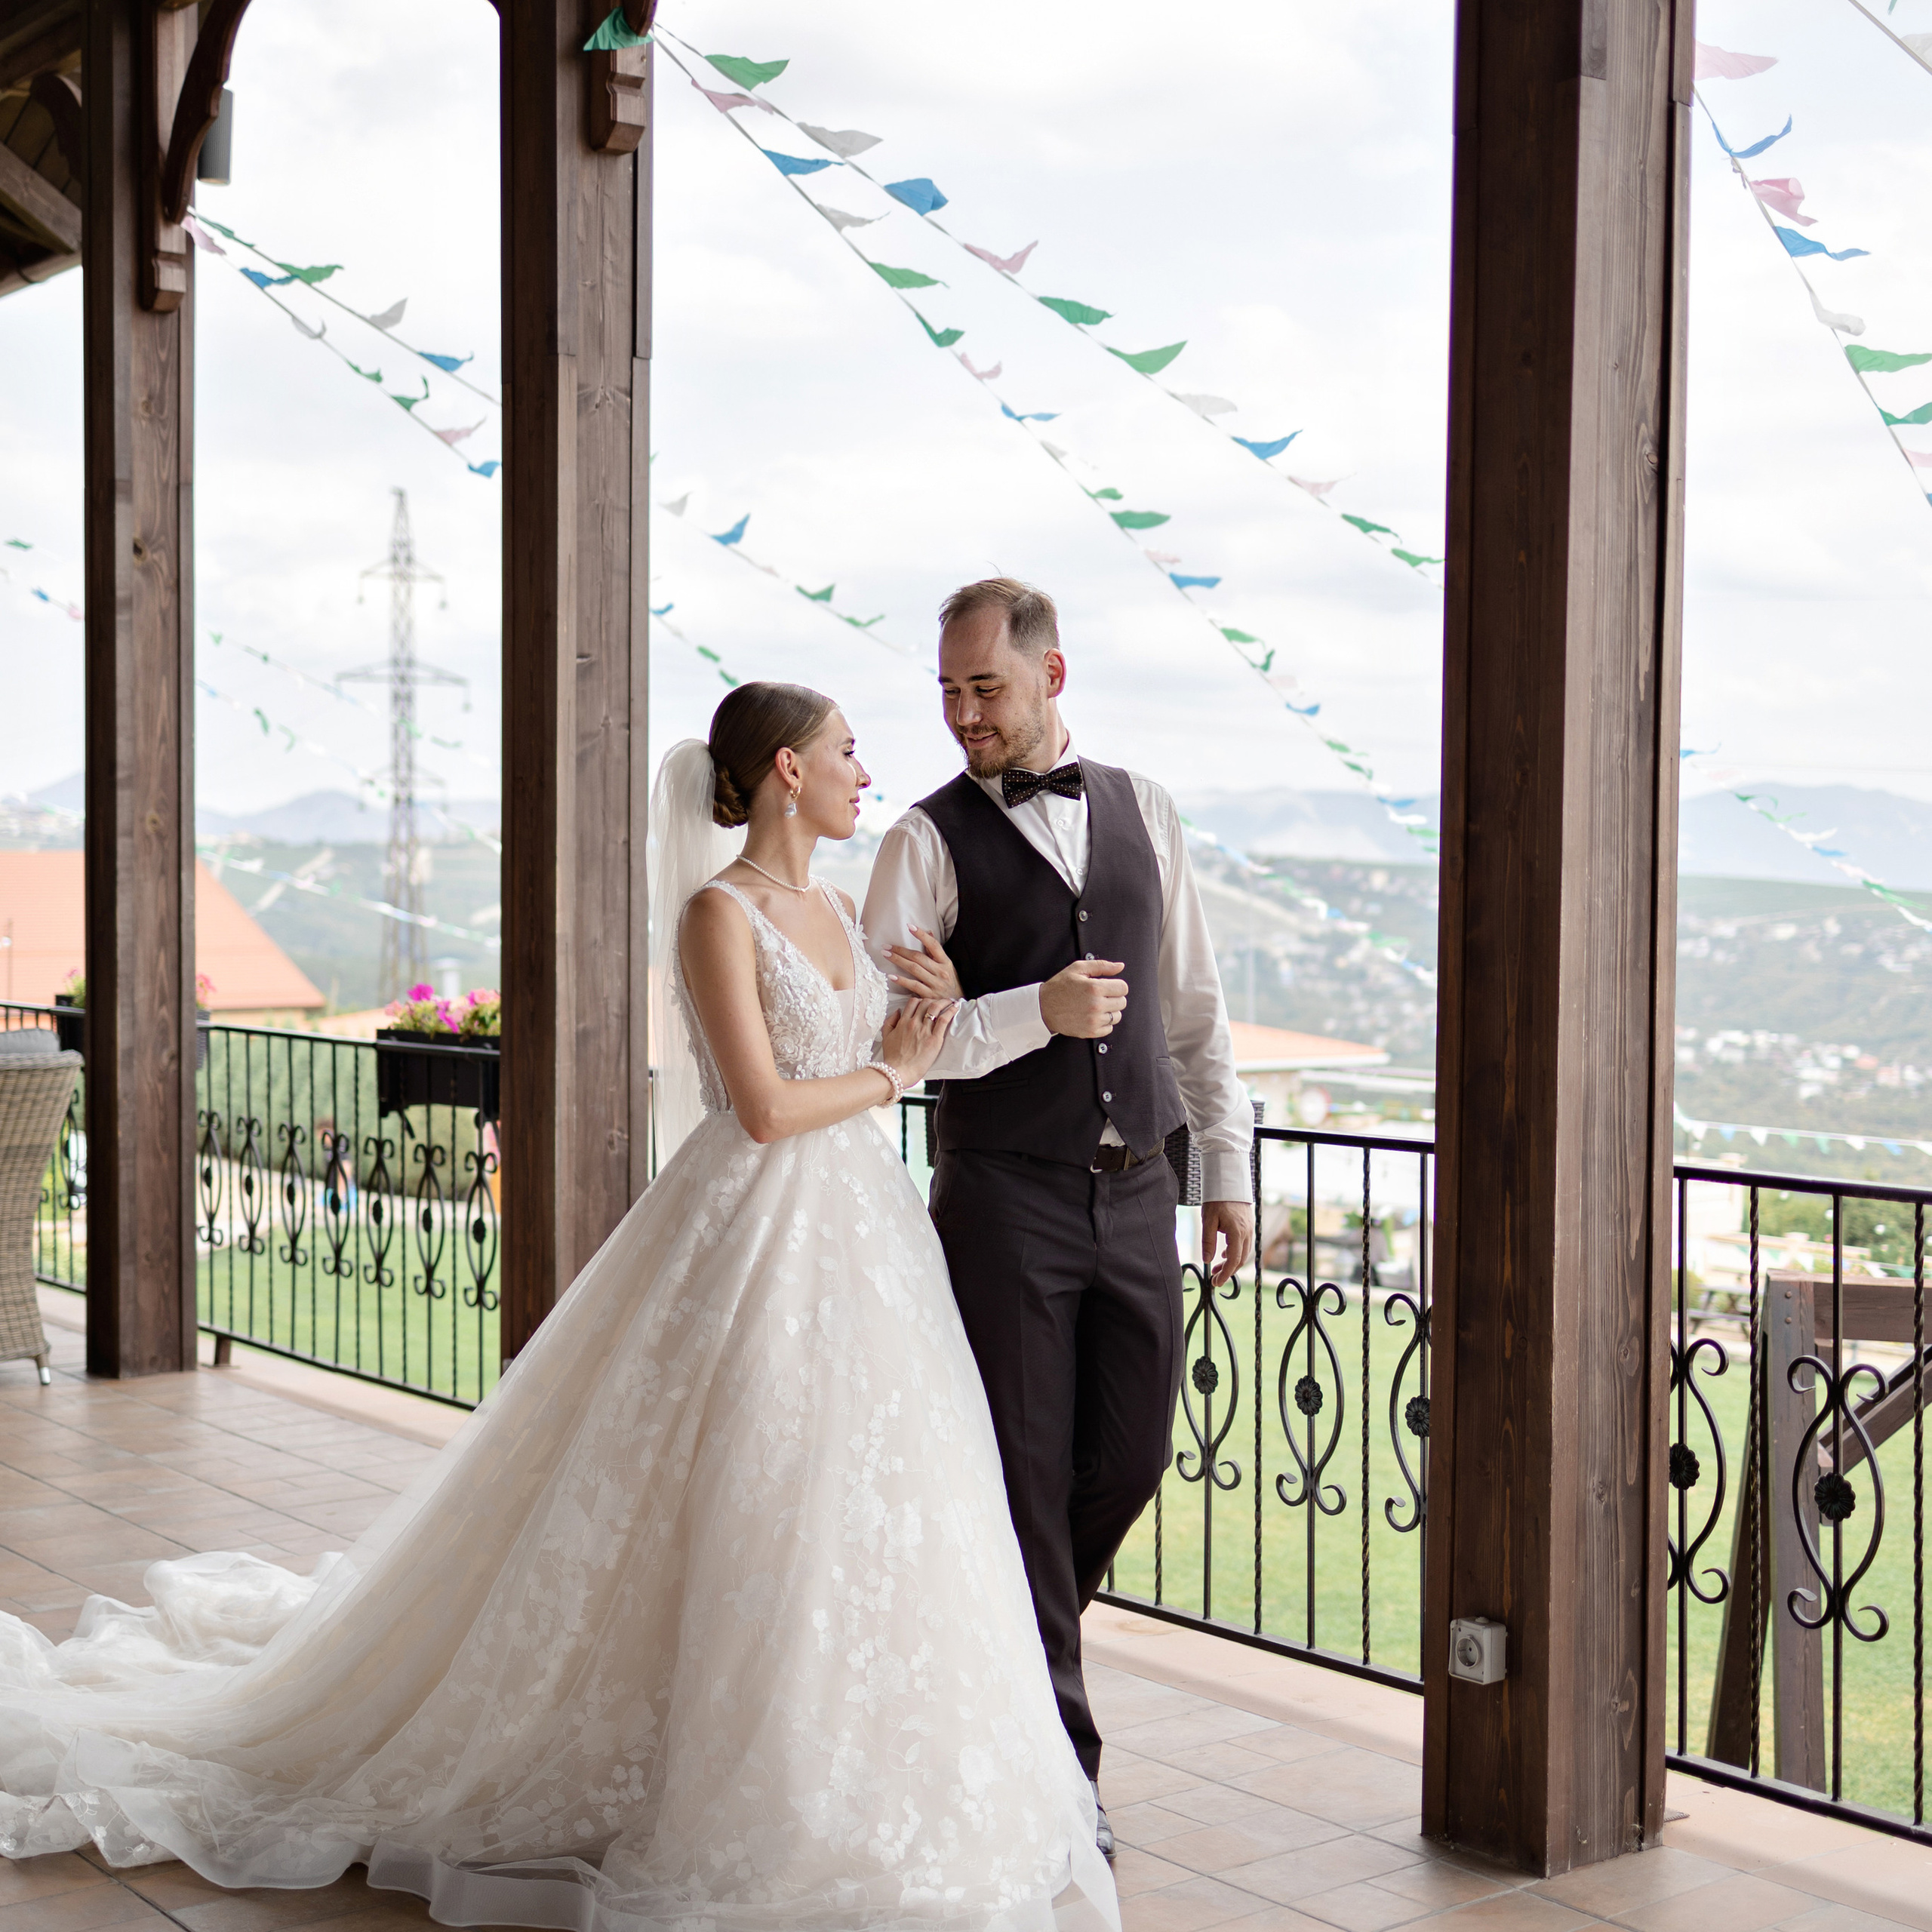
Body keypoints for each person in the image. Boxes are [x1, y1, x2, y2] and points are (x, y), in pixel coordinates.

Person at [0, 682, 1118, 1932]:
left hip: (866, 1241)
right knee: (747, 1483)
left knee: (864, 1500)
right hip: (758, 1228)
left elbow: (918, 1046)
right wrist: (886, 1072)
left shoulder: (850, 915)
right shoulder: (720, 914)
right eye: (849, 752)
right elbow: (759, 1107)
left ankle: (856, 1761)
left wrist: (956, 1015)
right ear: (787, 772)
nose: (871, 772)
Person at [863, 580, 1255, 1854]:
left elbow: (1191, 1009)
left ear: (1052, 676)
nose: (962, 714)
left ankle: (982, 1648)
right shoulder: (920, 844)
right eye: (947, 690)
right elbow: (896, 1046)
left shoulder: (1146, 810)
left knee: (1130, 1459)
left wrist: (1227, 1175)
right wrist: (1040, 1006)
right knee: (1026, 1484)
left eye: (985, 687)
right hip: (1005, 1202)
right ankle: (1058, 1777)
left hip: (1141, 1188)